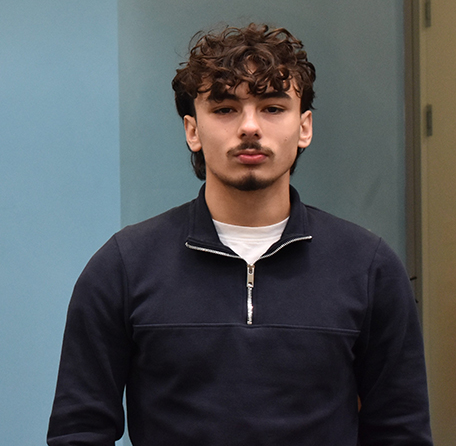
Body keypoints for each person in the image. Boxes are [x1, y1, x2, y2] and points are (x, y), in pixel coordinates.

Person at [47, 24, 432, 445]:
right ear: (192, 130)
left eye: (272, 107)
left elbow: (401, 431)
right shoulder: (123, 265)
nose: (250, 127)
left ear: (304, 127)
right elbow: (80, 430)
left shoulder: (368, 266)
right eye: (225, 108)